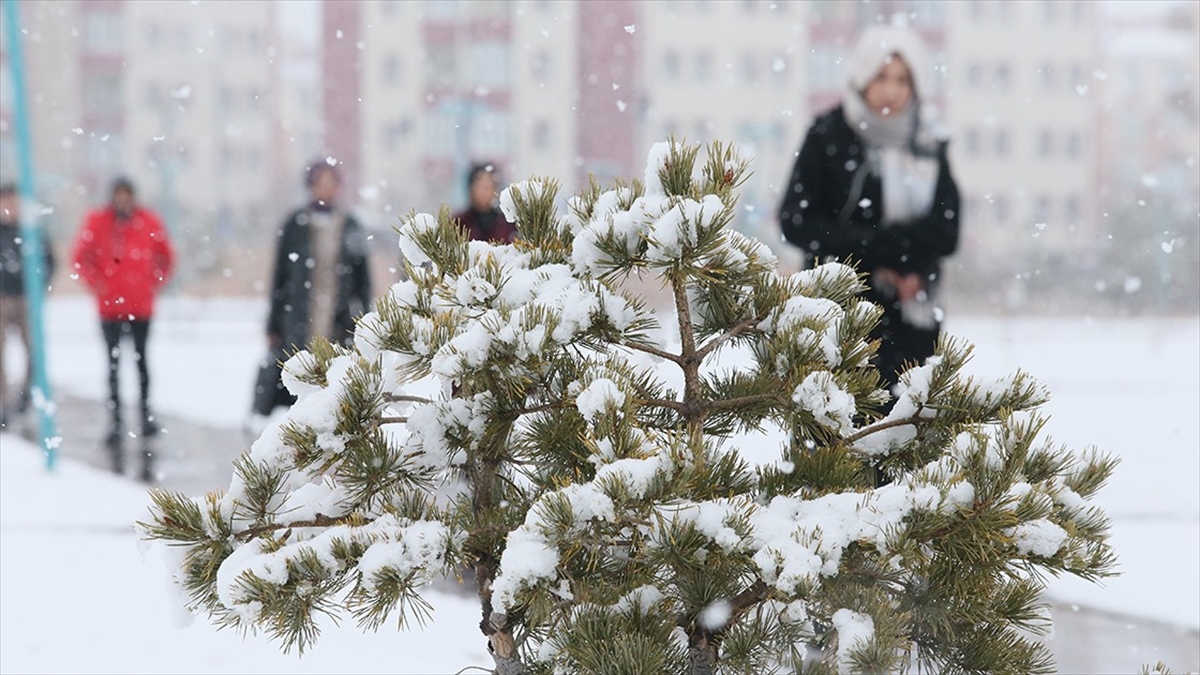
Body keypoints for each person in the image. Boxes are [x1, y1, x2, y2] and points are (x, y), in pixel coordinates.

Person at [778, 24, 960, 395]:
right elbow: (797, 220)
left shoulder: (927, 142)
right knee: (829, 435)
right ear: (862, 77)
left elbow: (947, 229)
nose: (892, 90)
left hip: (911, 318)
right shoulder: (829, 135)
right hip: (834, 315)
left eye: (903, 79)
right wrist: (881, 253)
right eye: (881, 76)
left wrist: (902, 261)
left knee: (905, 434)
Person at [250, 160, 372, 425]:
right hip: (299, 316)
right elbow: (280, 278)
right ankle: (298, 438)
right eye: (320, 183)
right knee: (298, 379)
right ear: (310, 186)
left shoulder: (351, 225)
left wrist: (365, 320)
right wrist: (274, 324)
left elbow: (363, 280)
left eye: (331, 184)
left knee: (335, 381)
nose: (326, 189)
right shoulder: (295, 224)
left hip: (338, 319)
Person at [71, 177, 174, 464]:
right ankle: (115, 422)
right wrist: (98, 284)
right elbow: (81, 258)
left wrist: (152, 282)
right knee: (113, 366)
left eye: (127, 195)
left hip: (140, 307)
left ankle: (145, 416)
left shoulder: (149, 222)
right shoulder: (98, 222)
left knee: (141, 363)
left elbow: (166, 257)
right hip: (110, 308)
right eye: (119, 195)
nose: (123, 200)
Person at [0, 182, 55, 429]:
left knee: (34, 351)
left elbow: (49, 261)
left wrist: (40, 285)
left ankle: (25, 396)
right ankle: (2, 402)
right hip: (1, 297)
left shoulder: (31, 231)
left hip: (25, 297)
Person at [454, 163, 518, 244]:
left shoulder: (508, 224)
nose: (485, 192)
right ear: (471, 189)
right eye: (480, 187)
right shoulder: (459, 223)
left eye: (489, 186)